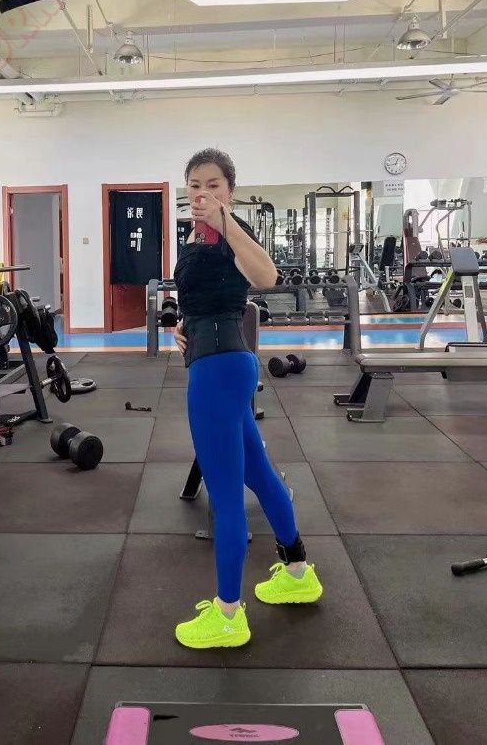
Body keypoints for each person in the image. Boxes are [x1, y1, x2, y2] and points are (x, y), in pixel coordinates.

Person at [172, 147, 323, 649]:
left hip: (218, 372)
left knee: (224, 494)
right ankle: (297, 572)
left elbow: (266, 277)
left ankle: (228, 614)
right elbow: (202, 299)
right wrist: (182, 326)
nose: (203, 192)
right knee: (257, 473)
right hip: (221, 361)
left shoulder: (233, 233)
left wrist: (226, 221)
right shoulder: (193, 237)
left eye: (213, 184)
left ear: (229, 191)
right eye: (195, 184)